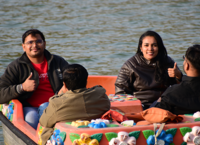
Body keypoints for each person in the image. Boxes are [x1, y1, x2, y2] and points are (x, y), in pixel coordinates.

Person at [0, 29, 68, 129]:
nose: (35, 45)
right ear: (23, 47)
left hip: (57, 105)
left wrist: (66, 88)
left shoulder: (58, 62)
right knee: (32, 117)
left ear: (44, 44)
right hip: (29, 108)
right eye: (30, 42)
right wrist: (22, 87)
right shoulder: (15, 67)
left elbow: (73, 80)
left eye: (38, 41)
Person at [39, 64, 110, 145]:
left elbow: (44, 122)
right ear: (86, 82)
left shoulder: (57, 103)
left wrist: (59, 95)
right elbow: (107, 106)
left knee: (43, 107)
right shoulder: (100, 94)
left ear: (64, 85)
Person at [115, 30, 182, 110]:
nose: (150, 49)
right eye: (146, 45)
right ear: (141, 47)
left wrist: (178, 76)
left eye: (154, 45)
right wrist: (134, 106)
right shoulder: (130, 65)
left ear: (159, 47)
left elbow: (180, 88)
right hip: (140, 107)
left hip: (163, 104)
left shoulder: (167, 62)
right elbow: (120, 91)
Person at [155, 45, 200, 115]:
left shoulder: (171, 94)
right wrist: (180, 77)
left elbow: (156, 114)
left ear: (187, 65)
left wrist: (159, 100)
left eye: (184, 59)